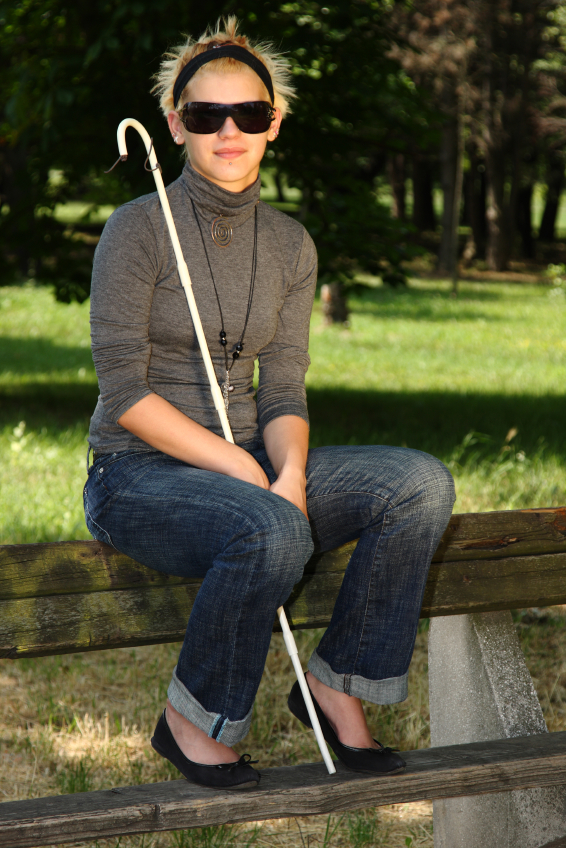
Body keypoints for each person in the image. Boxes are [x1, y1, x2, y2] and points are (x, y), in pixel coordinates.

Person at [83, 17, 455, 790]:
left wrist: (285, 473)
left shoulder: (291, 244)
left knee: (416, 484)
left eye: (248, 114)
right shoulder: (137, 229)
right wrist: (242, 475)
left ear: (273, 124)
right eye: (208, 115)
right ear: (176, 124)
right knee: (272, 526)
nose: (229, 131)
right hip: (138, 475)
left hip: (249, 463)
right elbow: (124, 394)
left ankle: (335, 685)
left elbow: (282, 387)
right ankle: (192, 719)